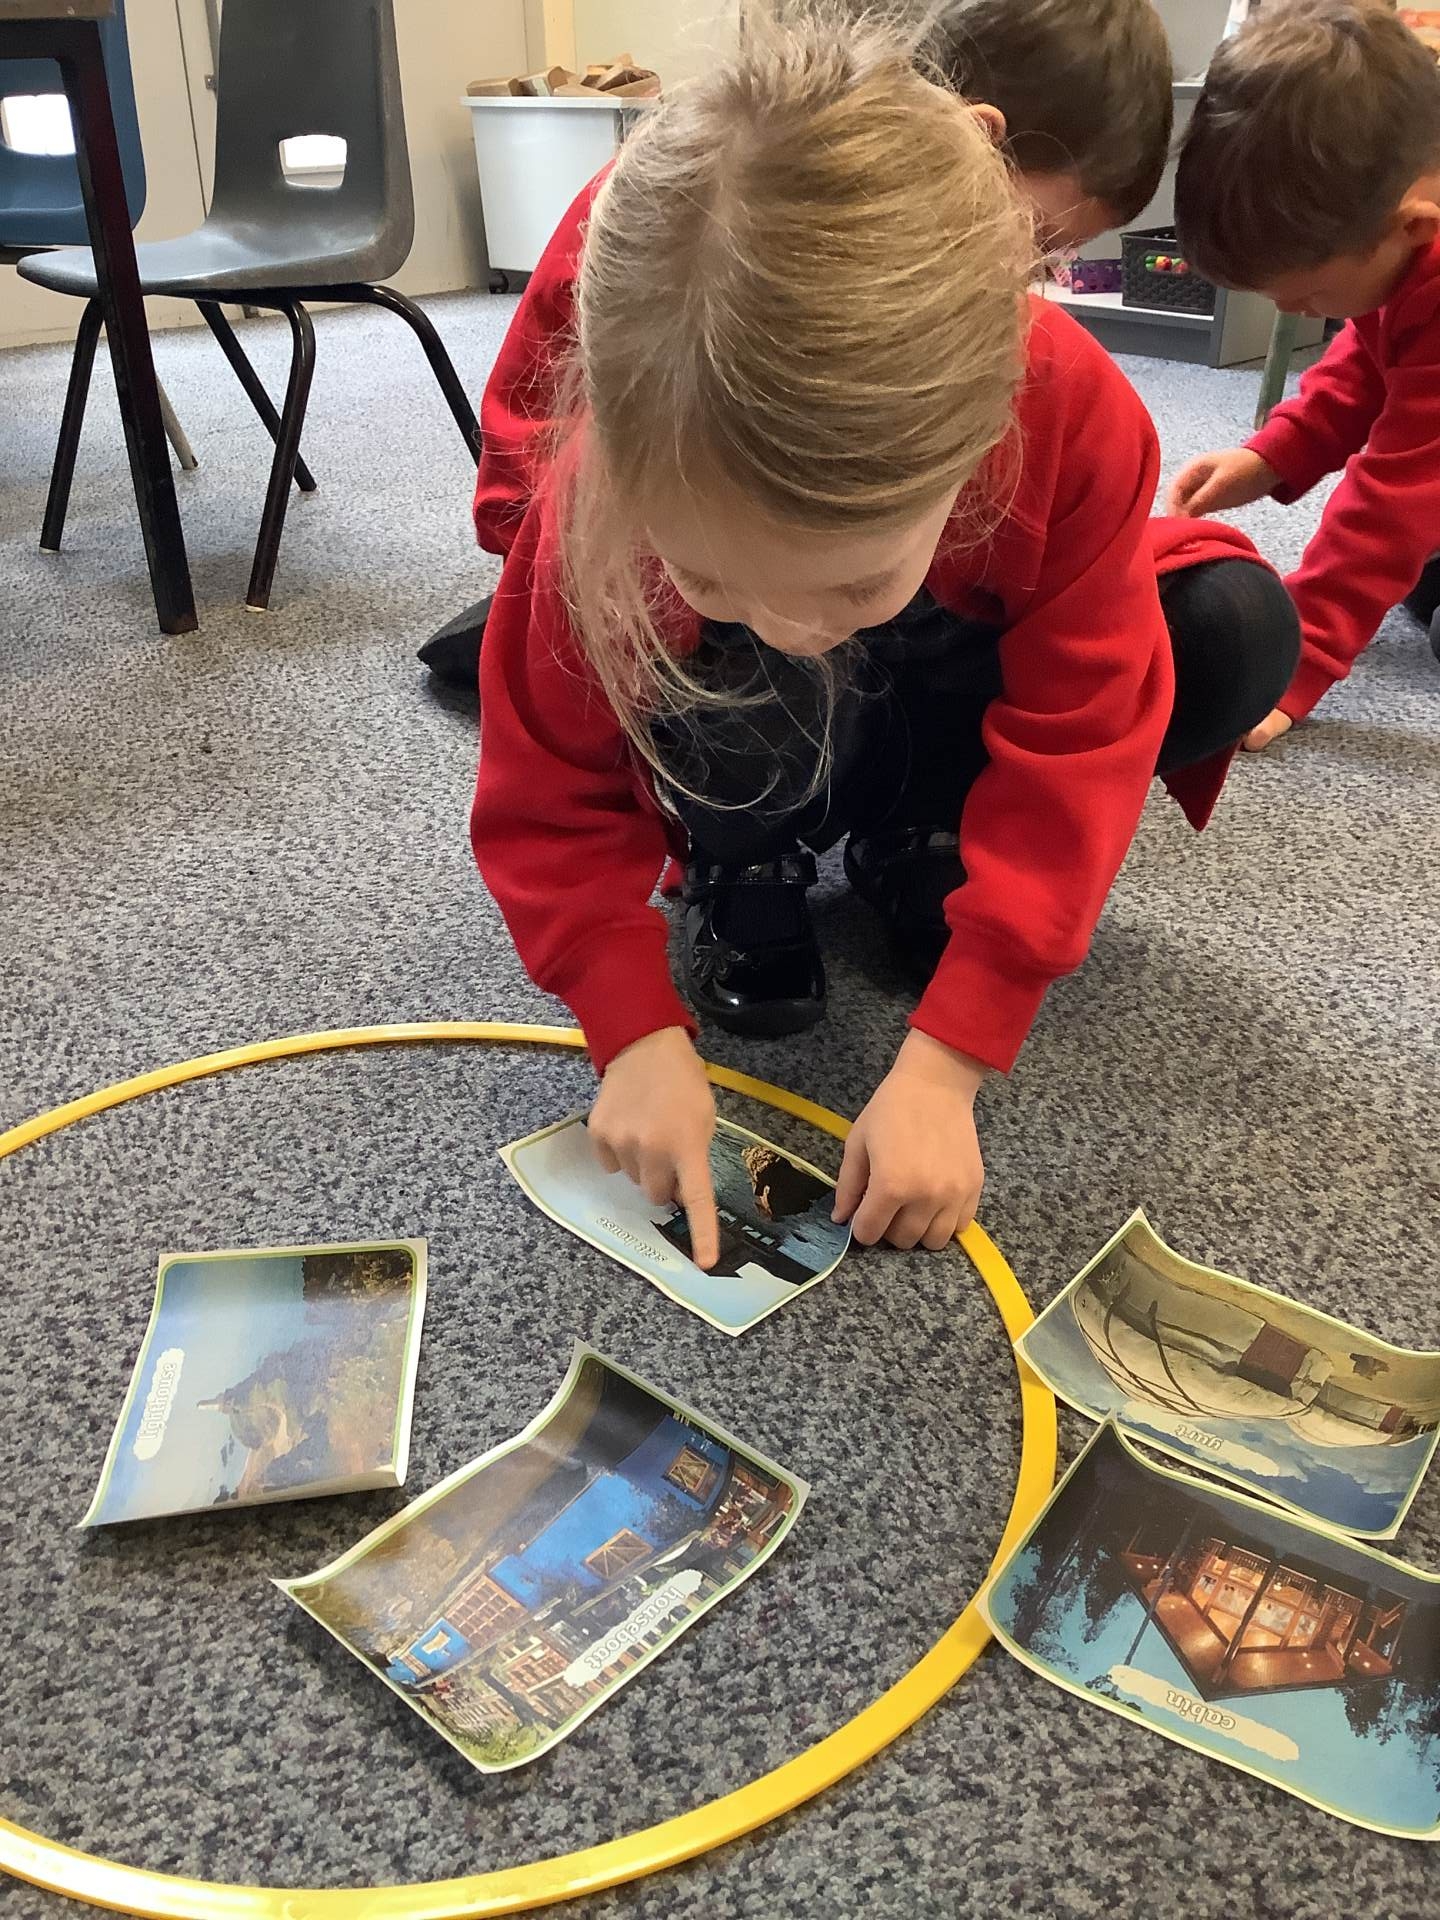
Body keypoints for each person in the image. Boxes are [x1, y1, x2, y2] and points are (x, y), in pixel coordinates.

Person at [470, 11, 1299, 1266]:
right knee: (737, 653)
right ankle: (745, 860)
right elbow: (546, 789)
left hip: (950, 668)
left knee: (1216, 625)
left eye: (853, 578)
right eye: (710, 569)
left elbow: (1081, 741)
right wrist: (629, 1027)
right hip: (756, 726)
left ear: (978, 444)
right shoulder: (610, 475)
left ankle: (923, 833)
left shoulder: (1073, 413)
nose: (791, 626)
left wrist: (951, 1061)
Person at [419, 0, 1176, 688]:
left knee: (1189, 630)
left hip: (834, 566)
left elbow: (1082, 641)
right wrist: (616, 588)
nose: (1022, 278)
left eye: (1046, 263)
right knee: (751, 698)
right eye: (1030, 237)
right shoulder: (666, 217)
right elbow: (531, 467)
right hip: (663, 553)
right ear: (975, 142)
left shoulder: (1053, 379)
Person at [1168, 0, 1440, 746]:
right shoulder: (1409, 254)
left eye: (1309, 297)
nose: (1291, 312)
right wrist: (1272, 455)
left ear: (1413, 228)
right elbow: (1367, 366)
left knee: (1405, 551)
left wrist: (1301, 655)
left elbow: (1395, 495)